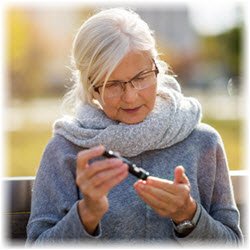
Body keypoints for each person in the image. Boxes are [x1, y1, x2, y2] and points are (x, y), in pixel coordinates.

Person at [26, 8, 243, 246]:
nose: (130, 97)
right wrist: (86, 215)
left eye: (140, 77)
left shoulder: (204, 142)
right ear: (91, 86)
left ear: (156, 68)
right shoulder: (65, 151)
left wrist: (189, 215)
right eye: (112, 84)